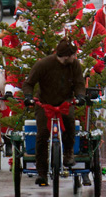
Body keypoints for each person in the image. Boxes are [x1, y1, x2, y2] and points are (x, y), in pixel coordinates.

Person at [22, 39, 86, 186]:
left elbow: (79, 83)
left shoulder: (74, 65)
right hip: (44, 104)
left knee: (70, 122)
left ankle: (68, 152)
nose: (74, 57)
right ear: (65, 56)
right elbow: (28, 83)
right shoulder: (43, 64)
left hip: (65, 103)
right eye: (72, 54)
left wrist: (80, 96)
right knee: (43, 133)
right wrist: (28, 97)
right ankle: (42, 172)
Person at [75, 4, 106, 74]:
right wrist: (78, 52)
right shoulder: (78, 27)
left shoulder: (99, 27)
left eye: (90, 17)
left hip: (95, 55)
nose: (88, 19)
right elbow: (74, 40)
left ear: (93, 18)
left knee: (100, 66)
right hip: (81, 54)